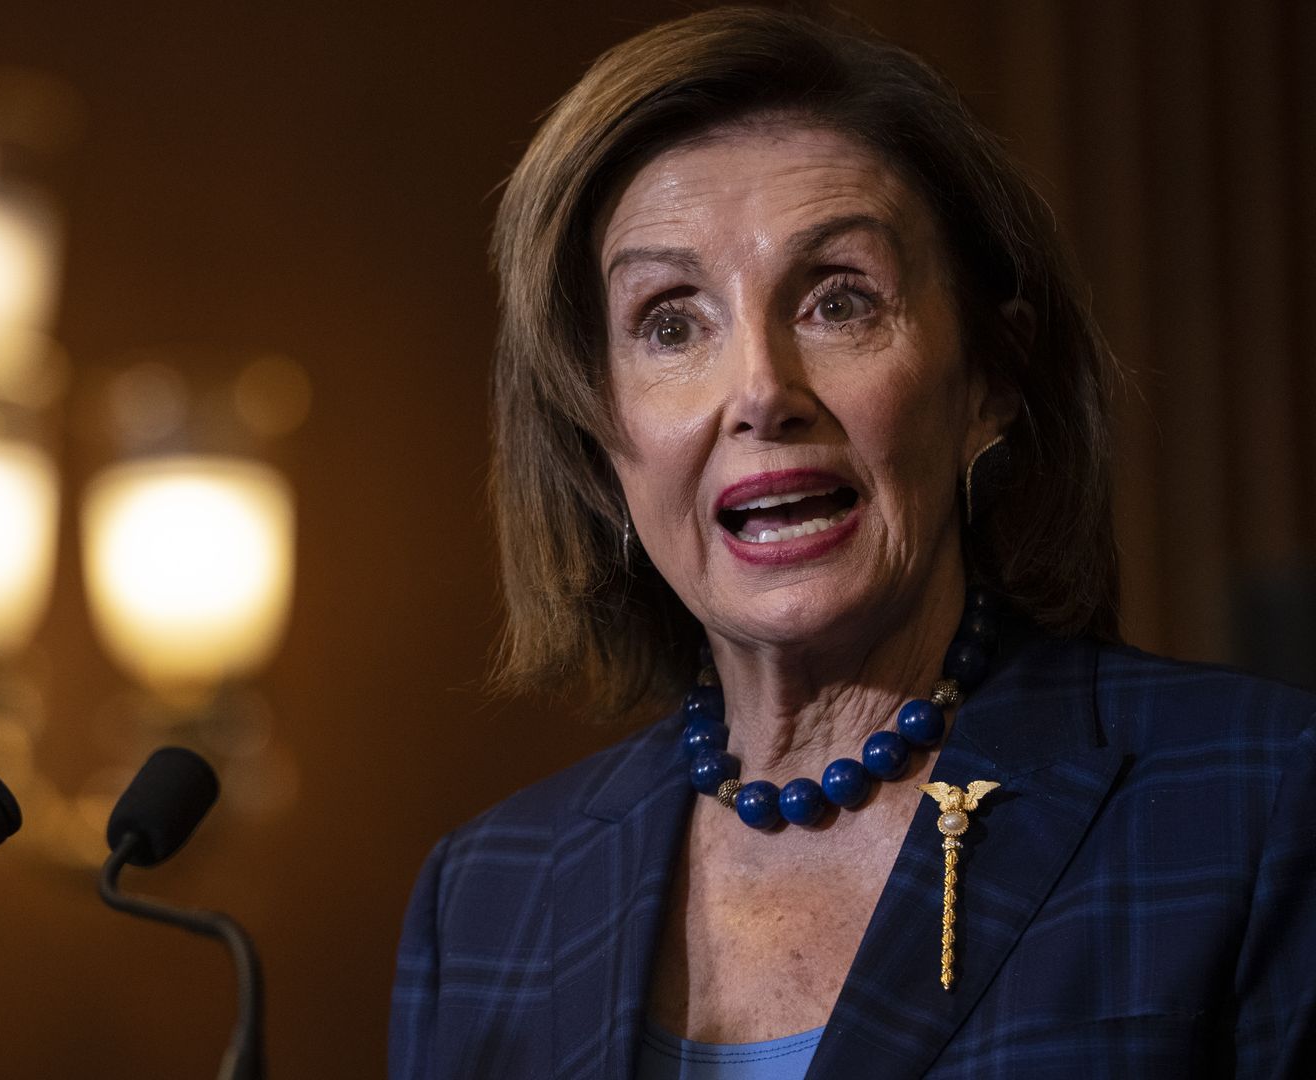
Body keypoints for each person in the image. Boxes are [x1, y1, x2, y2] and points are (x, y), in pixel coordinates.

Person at [388, 7, 1316, 1079]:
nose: (761, 391)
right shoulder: (486, 900)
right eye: (672, 322)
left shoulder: (1257, 801)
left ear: (991, 377)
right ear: (598, 435)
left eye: (839, 302)